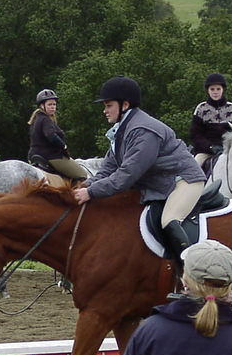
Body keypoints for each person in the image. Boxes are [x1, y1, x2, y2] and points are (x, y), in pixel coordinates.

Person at [72, 76, 205, 265]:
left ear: (125, 105)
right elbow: (107, 170)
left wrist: (91, 192)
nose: (105, 111)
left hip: (184, 180)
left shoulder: (143, 130)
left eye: (108, 105)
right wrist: (85, 186)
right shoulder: (121, 132)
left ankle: (189, 272)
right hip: (161, 184)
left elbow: (127, 175)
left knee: (169, 219)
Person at [28, 88, 87, 182]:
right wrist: (64, 146)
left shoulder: (36, 119)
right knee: (82, 174)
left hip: (33, 154)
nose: (53, 107)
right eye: (50, 104)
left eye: (54, 104)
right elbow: (51, 136)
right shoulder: (45, 119)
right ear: (42, 105)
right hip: (50, 155)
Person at [189, 73, 232, 167]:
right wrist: (210, 147)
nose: (215, 92)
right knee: (195, 166)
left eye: (218, 89)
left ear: (223, 90)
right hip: (206, 152)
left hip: (229, 151)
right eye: (212, 89)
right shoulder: (201, 108)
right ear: (208, 91)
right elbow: (195, 135)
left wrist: (228, 147)